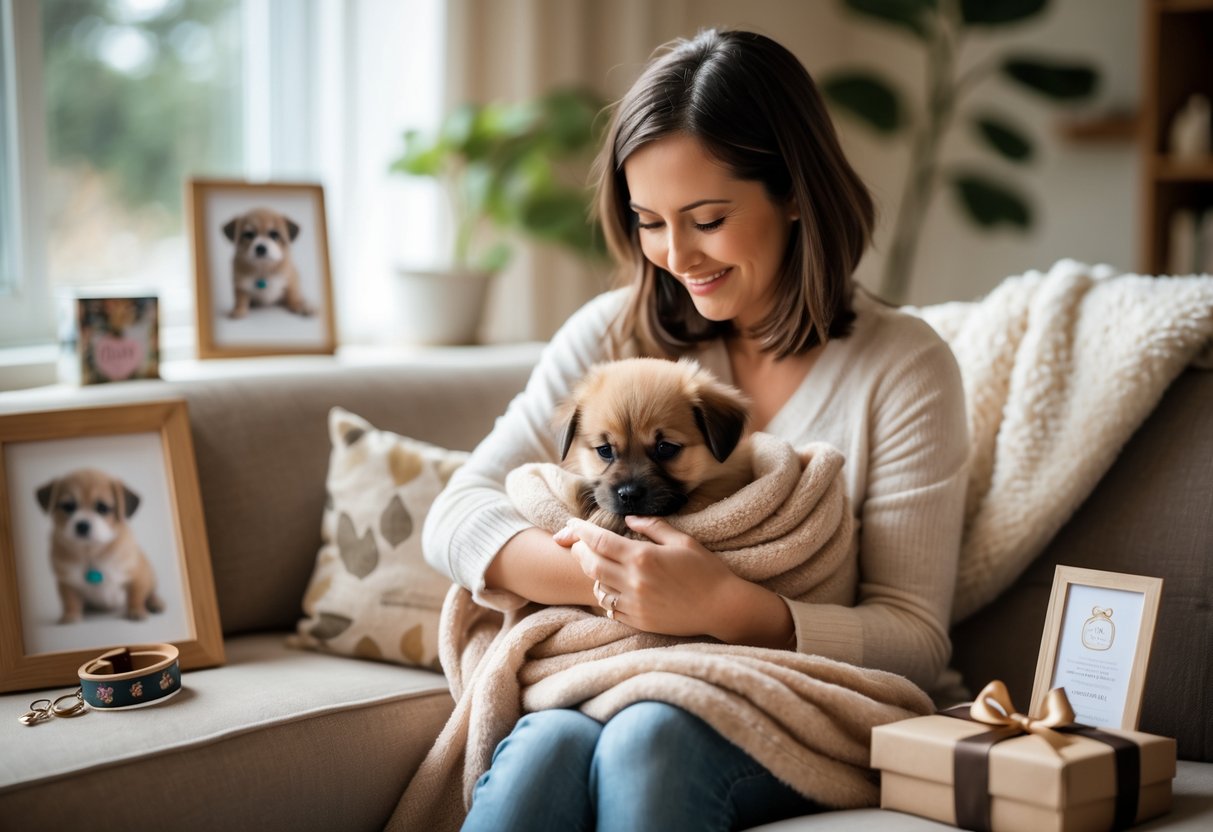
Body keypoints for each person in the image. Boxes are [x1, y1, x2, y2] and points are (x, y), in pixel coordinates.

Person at [422, 27, 968, 832]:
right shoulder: (610, 338)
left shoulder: (903, 367)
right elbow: (455, 513)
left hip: (806, 701)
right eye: (647, 220)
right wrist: (623, 588)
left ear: (792, 192)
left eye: (707, 218)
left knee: (649, 736)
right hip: (616, 671)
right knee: (543, 746)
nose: (675, 254)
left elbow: (915, 640)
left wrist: (724, 604)